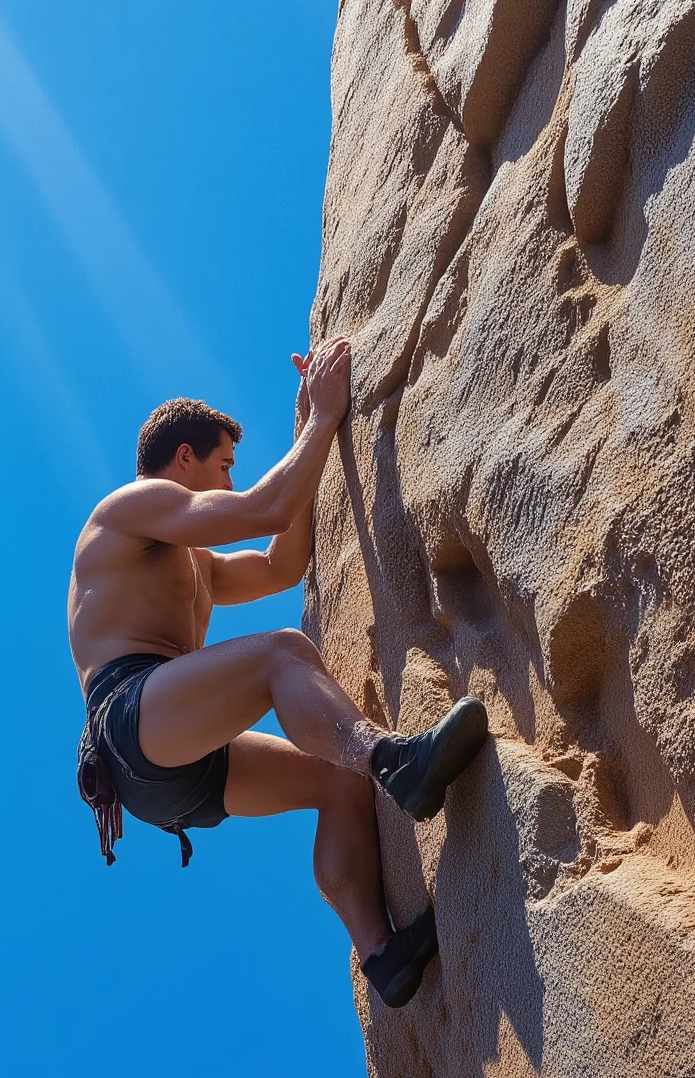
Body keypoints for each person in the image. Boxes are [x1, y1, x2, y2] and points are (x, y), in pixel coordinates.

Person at [66, 340, 489, 1008]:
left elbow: (279, 565)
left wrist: (306, 428)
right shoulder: (134, 505)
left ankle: (382, 956)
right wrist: (323, 417)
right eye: (225, 464)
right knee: (279, 653)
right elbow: (264, 507)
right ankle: (390, 759)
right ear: (184, 459)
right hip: (131, 718)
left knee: (334, 780)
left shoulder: (194, 562)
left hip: (175, 766)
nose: (231, 480)